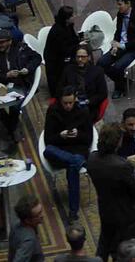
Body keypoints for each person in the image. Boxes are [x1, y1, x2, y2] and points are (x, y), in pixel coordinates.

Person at [87, 122, 135, 259]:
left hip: (105, 208)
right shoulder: (122, 167)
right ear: (118, 142)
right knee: (125, 250)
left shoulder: (92, 158)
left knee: (104, 243)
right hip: (124, 214)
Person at [44, 87, 95, 220]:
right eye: (65, 103)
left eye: (70, 103)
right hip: (59, 149)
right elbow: (48, 140)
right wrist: (61, 136)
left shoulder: (83, 112)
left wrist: (78, 135)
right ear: (60, 101)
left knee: (72, 166)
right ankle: (80, 163)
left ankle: (73, 211)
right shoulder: (53, 111)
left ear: (75, 100)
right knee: (48, 151)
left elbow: (89, 138)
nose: (68, 106)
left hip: (77, 149)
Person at [0, 32, 41, 136]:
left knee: (14, 107)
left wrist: (27, 69)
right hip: (0, 85)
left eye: (2, 42)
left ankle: (11, 130)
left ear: (10, 41)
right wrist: (6, 75)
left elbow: (37, 58)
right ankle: (12, 128)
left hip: (20, 85)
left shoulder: (21, 49)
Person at [101, 0, 135, 99]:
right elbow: (118, 31)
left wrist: (122, 46)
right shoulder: (120, 15)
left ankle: (119, 89)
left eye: (120, 4)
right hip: (120, 46)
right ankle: (124, 81)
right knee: (101, 63)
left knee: (118, 67)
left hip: (134, 49)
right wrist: (115, 44)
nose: (118, 7)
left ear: (128, 4)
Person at [45, 5, 80, 97]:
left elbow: (73, 38)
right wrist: (77, 46)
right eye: (72, 15)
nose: (74, 16)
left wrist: (80, 41)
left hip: (64, 53)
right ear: (66, 19)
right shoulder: (58, 31)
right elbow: (63, 50)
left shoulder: (69, 25)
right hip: (55, 59)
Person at [10, 196, 44, 262]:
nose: (42, 215)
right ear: (28, 220)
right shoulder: (29, 241)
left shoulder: (15, 224)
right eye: (38, 214)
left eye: (41, 211)